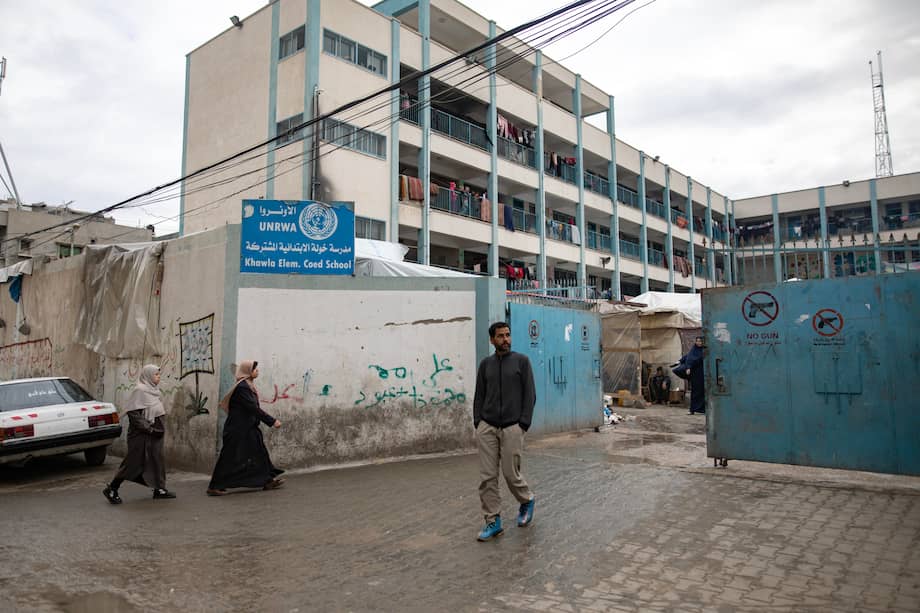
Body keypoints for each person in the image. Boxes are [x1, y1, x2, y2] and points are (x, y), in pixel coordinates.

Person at [472, 321, 536, 541]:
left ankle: (526, 501)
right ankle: (493, 522)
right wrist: (478, 422)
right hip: (487, 427)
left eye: (508, 335)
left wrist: (523, 424)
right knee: (487, 478)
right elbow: (479, 395)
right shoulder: (485, 365)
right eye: (500, 336)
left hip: (512, 427)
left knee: (511, 473)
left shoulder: (522, 362)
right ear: (492, 340)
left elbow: (530, 395)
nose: (505, 339)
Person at [207, 361, 284, 496]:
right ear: (248, 371)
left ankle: (267, 480)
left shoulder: (248, 386)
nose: (257, 371)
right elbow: (253, 408)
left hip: (248, 428)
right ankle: (214, 486)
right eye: (254, 369)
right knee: (228, 457)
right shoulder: (242, 387)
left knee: (260, 452)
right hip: (237, 430)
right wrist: (272, 421)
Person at [103, 364, 175, 503]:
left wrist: (156, 430)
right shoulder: (140, 390)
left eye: (159, 374)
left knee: (156, 460)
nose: (158, 377)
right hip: (142, 435)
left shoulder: (154, 390)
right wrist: (150, 429)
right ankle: (112, 488)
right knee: (133, 462)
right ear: (147, 375)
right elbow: (134, 414)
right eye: (156, 374)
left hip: (155, 434)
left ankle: (159, 489)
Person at [680, 336, 706, 415]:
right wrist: (688, 367)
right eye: (697, 341)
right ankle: (692, 409)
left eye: (700, 341)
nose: (699, 343)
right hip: (695, 374)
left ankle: (703, 410)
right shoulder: (693, 350)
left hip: (703, 373)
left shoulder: (705, 350)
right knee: (695, 391)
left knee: (703, 391)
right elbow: (689, 358)